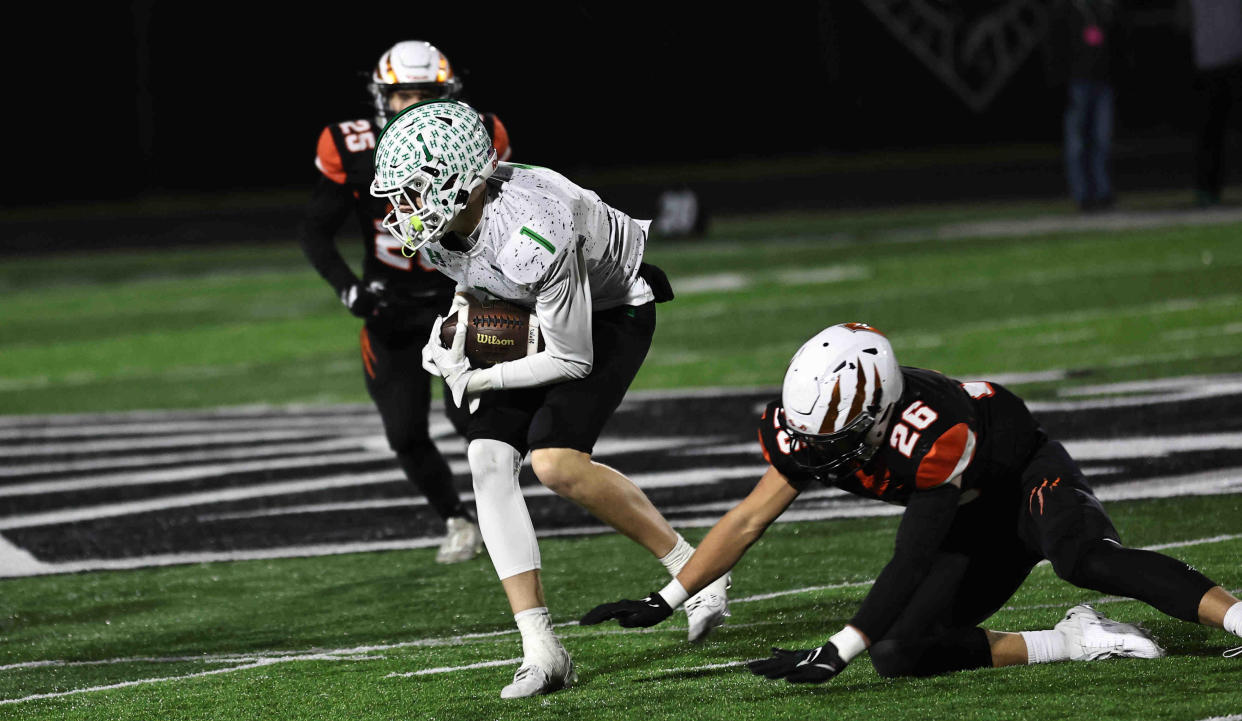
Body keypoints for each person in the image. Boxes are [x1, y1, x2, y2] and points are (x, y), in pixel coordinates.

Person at [581, 322, 1242, 683]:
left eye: (830, 440)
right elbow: (750, 516)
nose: (812, 453)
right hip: (970, 517)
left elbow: (909, 556)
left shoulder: (930, 430)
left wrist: (838, 647)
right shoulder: (821, 427)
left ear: (873, 418)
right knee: (899, 652)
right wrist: (667, 596)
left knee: (1079, 554)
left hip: (1020, 480)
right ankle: (1074, 638)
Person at [368, 99, 734, 699]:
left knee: (555, 462)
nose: (401, 209)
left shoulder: (532, 230)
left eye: (414, 190)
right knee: (487, 461)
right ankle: (541, 650)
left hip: (612, 310)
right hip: (529, 305)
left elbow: (571, 357)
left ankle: (697, 575)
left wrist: (476, 379)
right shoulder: (444, 229)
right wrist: (457, 330)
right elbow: (478, 279)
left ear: (461, 182)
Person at [299, 41, 511, 564]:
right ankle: (456, 520)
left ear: (448, 95)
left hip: (461, 296)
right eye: (403, 95)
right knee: (404, 429)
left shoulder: (477, 134)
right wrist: (350, 288)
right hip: (390, 305)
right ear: (381, 98)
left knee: (475, 417)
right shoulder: (351, 145)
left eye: (426, 94)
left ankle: (502, 513)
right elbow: (315, 230)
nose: (413, 105)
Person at [1045, 0, 1127, 212]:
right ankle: (1083, 196)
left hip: (1103, 82)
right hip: (1076, 84)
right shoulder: (1064, 10)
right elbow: (1055, 50)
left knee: (1102, 140)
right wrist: (1059, 86)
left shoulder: (1104, 8)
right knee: (1077, 143)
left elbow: (1117, 44)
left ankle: (1103, 192)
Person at [1186, 0, 1242, 207]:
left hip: (1235, 62)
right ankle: (1206, 191)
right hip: (1207, 66)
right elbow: (1182, 20)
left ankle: (1207, 190)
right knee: (1209, 134)